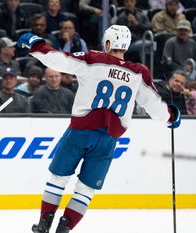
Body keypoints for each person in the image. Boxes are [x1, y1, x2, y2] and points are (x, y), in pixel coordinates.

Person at [17, 25, 181, 233]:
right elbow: (155, 106)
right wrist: (171, 117)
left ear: (109, 43)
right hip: (108, 140)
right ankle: (65, 227)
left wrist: (36, 45)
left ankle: (44, 224)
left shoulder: (94, 59)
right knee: (86, 189)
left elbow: (58, 59)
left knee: (58, 177)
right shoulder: (139, 72)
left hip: (80, 132)